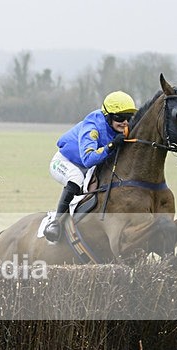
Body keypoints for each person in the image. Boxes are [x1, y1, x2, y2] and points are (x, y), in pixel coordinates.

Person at [43, 91, 137, 243]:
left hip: (91, 167)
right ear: (108, 116)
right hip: (65, 162)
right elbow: (88, 159)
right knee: (76, 178)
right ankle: (56, 223)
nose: (125, 122)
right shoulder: (92, 126)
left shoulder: (122, 125)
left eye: (129, 117)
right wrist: (112, 145)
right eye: (120, 118)